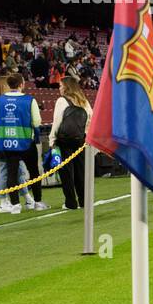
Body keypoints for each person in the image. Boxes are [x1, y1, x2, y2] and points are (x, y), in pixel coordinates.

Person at [0, 73, 48, 214]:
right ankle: (37, 201)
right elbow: (36, 122)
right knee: (34, 171)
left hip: (8, 142)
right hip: (25, 141)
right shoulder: (29, 100)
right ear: (21, 84)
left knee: (11, 173)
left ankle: (15, 205)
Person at [47, 77, 91, 210]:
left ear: (66, 87)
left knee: (66, 173)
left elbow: (57, 122)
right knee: (80, 172)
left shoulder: (62, 101)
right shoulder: (84, 101)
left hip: (64, 141)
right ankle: (84, 200)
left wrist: (52, 139)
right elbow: (90, 119)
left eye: (61, 86)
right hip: (80, 141)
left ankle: (71, 202)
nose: (59, 88)